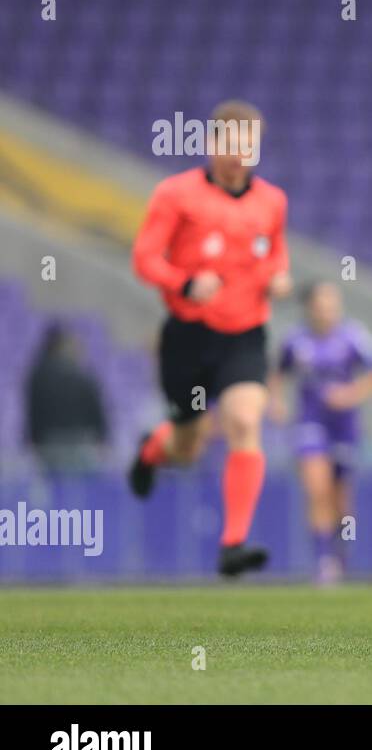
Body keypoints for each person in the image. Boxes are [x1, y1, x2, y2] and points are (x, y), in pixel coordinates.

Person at [128, 99, 291, 577]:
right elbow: (144, 257)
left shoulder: (273, 201)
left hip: (244, 334)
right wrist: (183, 282)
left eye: (249, 144)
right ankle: (152, 450)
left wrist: (280, 277)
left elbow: (276, 256)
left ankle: (233, 543)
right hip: (188, 336)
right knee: (189, 444)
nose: (240, 152)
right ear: (210, 143)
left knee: (244, 420)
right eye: (231, 142)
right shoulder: (175, 195)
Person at [269, 282, 372, 585]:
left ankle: (340, 556)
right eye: (321, 306)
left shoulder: (353, 336)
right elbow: (279, 374)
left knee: (341, 498)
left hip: (345, 426)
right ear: (310, 308)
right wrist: (277, 401)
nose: (327, 312)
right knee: (316, 489)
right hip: (310, 422)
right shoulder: (295, 341)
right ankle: (322, 562)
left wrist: (350, 394)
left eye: (332, 305)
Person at [24, 322, 108, 477]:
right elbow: (97, 410)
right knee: (83, 493)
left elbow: (32, 413)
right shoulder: (81, 373)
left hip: (49, 445)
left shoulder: (38, 374)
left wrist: (32, 440)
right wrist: (102, 437)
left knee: (58, 493)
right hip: (80, 444)